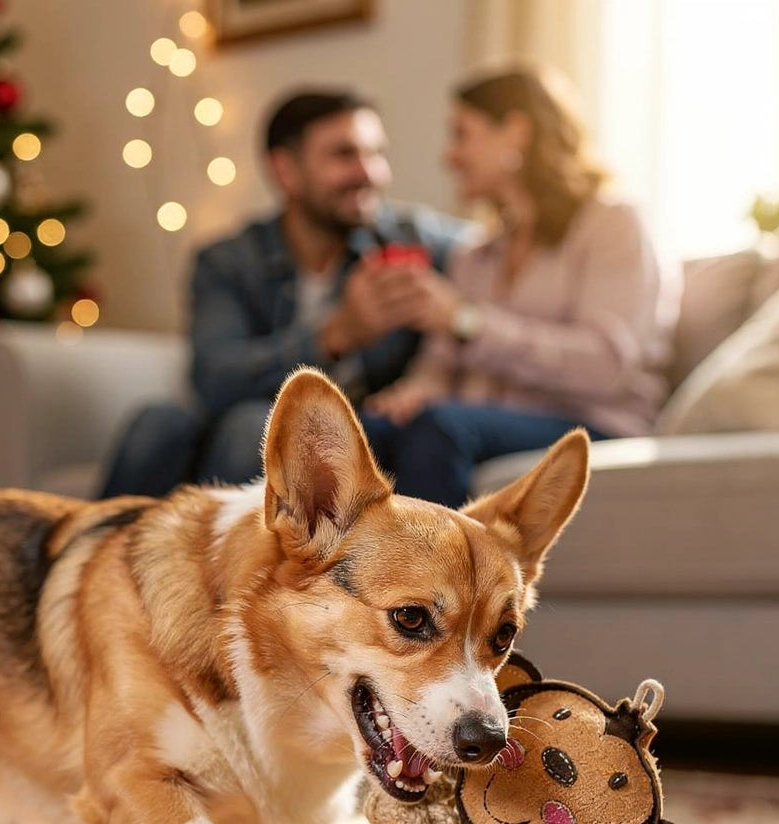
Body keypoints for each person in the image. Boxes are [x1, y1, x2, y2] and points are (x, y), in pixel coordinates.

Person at [99, 89, 466, 498]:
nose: (372, 174)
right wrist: (336, 335)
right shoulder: (229, 260)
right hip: (236, 424)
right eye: (345, 155)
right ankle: (84, 558)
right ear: (286, 170)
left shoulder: (412, 242)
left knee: (254, 427)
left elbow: (498, 252)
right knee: (157, 423)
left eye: (376, 153)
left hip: (355, 433)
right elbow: (215, 380)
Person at [360, 66, 676, 507]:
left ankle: (434, 578)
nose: (448, 156)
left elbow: (605, 365)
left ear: (515, 132)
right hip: (481, 420)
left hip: (589, 424)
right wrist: (412, 392)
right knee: (352, 439)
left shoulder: (612, 223)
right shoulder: (476, 252)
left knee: (440, 429)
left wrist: (468, 321)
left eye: (461, 134)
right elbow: (439, 363)